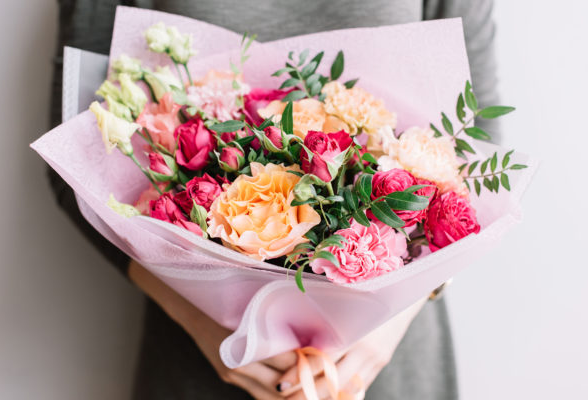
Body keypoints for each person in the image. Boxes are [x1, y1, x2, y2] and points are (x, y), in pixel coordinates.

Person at [48, 1, 499, 398]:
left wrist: (393, 320)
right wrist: (203, 324)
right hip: (201, 358)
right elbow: (74, 161)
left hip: (388, 359)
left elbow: (477, 165)